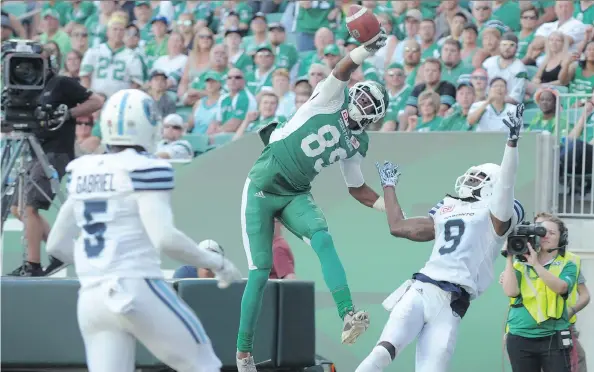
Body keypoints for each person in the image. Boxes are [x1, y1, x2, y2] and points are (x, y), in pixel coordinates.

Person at [44, 89, 242, 372]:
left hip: (92, 299)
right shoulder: (145, 168)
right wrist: (216, 262)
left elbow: (55, 245)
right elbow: (165, 238)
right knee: (204, 365)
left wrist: (100, 265)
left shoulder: (83, 170)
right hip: (135, 288)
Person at [236, 28, 390, 372]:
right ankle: (243, 353)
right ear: (354, 94)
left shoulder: (358, 143)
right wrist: (365, 50)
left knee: (323, 238)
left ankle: (348, 314)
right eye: (363, 98)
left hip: (296, 191)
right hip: (263, 184)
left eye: (371, 107)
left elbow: (358, 188)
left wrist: (389, 206)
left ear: (374, 117)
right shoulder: (331, 97)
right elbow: (341, 70)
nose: (363, 106)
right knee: (260, 271)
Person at [356, 104, 526, 372]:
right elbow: (398, 226)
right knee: (383, 351)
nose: (471, 179)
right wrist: (389, 187)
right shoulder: (449, 205)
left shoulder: (494, 215)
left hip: (452, 303)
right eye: (472, 174)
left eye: (480, 176)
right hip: (422, 289)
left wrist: (512, 144)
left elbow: (506, 185)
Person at [4, 40, 104, 277]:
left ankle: (33, 265)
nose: (27, 69)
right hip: (35, 149)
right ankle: (58, 252)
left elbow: (96, 101)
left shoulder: (60, 83)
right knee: (19, 208)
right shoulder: (22, 86)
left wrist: (67, 113)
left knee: (29, 207)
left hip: (55, 152)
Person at [501, 214, 577, 372]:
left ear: (561, 239)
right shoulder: (519, 264)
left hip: (553, 336)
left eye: (552, 233)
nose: (545, 236)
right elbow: (511, 291)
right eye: (542, 231)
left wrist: (535, 264)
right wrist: (509, 257)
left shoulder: (567, 265)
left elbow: (561, 287)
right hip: (520, 336)